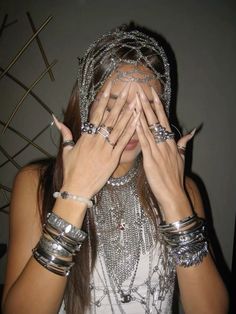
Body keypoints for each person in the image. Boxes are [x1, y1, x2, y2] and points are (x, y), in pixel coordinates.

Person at [2, 24, 228, 314]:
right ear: (86, 106)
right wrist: (75, 194)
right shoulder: (35, 183)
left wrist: (174, 199)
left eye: (147, 106)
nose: (131, 123)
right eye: (113, 106)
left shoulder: (186, 190)